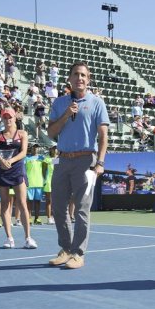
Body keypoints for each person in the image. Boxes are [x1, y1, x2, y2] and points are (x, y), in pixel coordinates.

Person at [47, 61, 109, 269]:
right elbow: (51, 133)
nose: (79, 78)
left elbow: (103, 136)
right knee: (58, 206)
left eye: (83, 75)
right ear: (70, 79)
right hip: (63, 159)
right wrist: (66, 113)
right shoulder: (59, 103)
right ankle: (66, 249)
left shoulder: (97, 102)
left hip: (85, 160)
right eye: (76, 74)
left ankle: (78, 253)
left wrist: (100, 162)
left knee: (82, 208)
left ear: (88, 79)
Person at [0, 107, 37, 249]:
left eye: (9, 117)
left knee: (22, 203)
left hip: (17, 170)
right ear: (2, 119)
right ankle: (9, 238)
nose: (8, 119)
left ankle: (28, 238)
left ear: (14, 118)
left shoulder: (22, 133)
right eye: (5, 117)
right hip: (3, 171)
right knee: (5, 204)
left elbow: (23, 152)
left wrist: (11, 161)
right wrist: (1, 161)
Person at [24, 143, 46, 225]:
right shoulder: (26, 158)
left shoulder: (42, 158)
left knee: (37, 202)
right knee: (29, 202)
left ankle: (37, 218)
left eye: (37, 147)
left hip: (39, 183)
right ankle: (29, 218)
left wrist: (58, 155)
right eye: (34, 148)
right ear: (31, 149)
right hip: (29, 183)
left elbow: (53, 162)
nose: (35, 149)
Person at [43, 146, 58, 225]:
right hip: (48, 182)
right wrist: (44, 180)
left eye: (56, 148)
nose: (55, 150)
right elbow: (43, 171)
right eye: (53, 148)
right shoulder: (47, 159)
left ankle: (55, 217)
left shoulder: (59, 158)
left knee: (56, 201)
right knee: (49, 201)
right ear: (50, 150)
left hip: (57, 182)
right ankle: (49, 218)